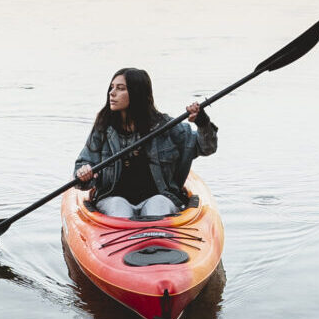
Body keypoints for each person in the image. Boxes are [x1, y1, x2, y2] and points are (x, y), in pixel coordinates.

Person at [73, 67, 217, 218]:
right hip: (112, 199)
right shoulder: (102, 129)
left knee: (158, 205)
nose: (112, 92)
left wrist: (202, 121)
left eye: (120, 88)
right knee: (119, 207)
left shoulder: (166, 127)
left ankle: (156, 235)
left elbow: (207, 147)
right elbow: (81, 169)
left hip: (160, 198)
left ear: (137, 94)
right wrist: (84, 174)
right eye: (112, 87)